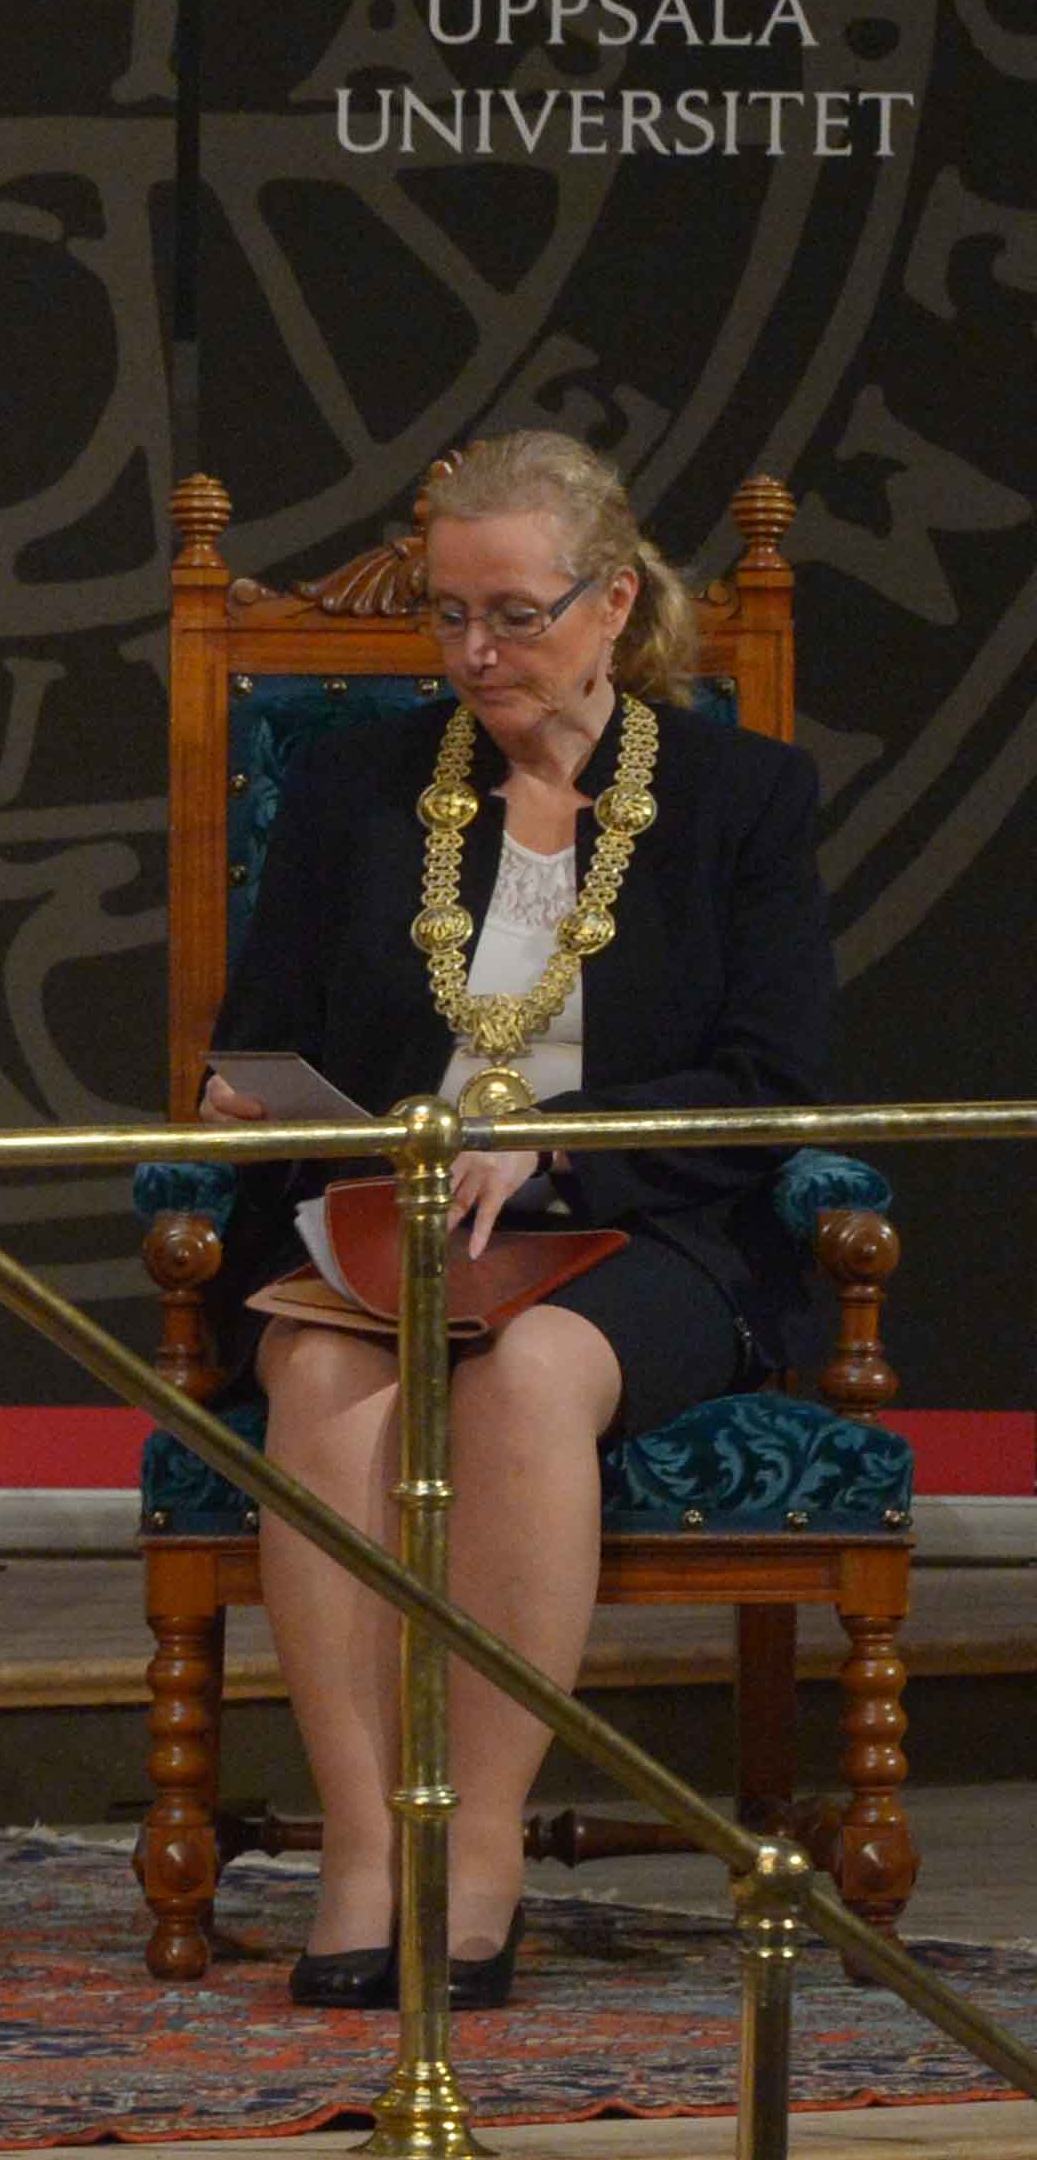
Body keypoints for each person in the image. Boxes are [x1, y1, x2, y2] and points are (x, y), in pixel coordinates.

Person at [198, 429, 834, 2010]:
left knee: (530, 1373)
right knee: (322, 1380)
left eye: (516, 616)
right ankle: (362, 1850)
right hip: (388, 1219)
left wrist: (547, 1157)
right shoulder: (360, 784)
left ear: (616, 603)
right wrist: (256, 1103)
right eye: (449, 618)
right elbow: (259, 1031)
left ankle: (475, 1853)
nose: (477, 653)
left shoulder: (740, 795)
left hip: (644, 1230)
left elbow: (772, 1080)